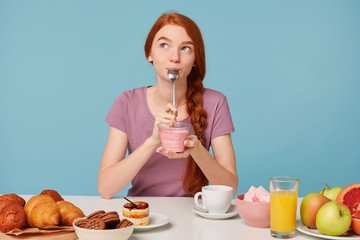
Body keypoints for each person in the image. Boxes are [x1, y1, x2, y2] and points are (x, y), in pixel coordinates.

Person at [98, 12, 238, 199]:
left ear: (195, 59)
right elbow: (106, 188)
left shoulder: (215, 103)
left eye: (185, 48)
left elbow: (230, 186)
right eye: (164, 45)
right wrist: (153, 140)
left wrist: (197, 150)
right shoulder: (126, 103)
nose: (174, 57)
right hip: (142, 214)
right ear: (149, 53)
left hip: (196, 216)